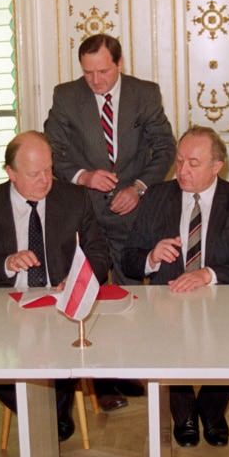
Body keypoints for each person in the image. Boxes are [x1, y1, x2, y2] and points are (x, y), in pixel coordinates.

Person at [44, 33, 176, 410]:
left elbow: (165, 148)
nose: (96, 81)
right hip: (86, 213)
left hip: (133, 209)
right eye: (88, 73)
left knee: (134, 291)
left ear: (118, 64)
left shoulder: (144, 93)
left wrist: (137, 187)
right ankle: (101, 382)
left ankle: (130, 367)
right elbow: (51, 149)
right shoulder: (66, 96)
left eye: (103, 71)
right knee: (91, 292)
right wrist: (83, 175)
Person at [0, 131, 111, 442]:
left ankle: (49, 416)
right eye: (34, 173)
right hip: (7, 307)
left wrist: (78, 279)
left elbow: (99, 252)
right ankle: (46, 414)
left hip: (59, 303)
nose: (45, 180)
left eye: (49, 170)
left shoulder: (73, 198)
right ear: (10, 173)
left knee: (68, 354)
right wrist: (6, 262)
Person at [121, 126, 229, 448]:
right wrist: (151, 257)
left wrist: (207, 274)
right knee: (160, 342)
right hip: (166, 305)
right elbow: (128, 259)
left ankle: (211, 410)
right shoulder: (156, 197)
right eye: (179, 160)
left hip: (223, 304)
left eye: (193, 163)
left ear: (217, 166)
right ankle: (182, 412)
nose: (182, 170)